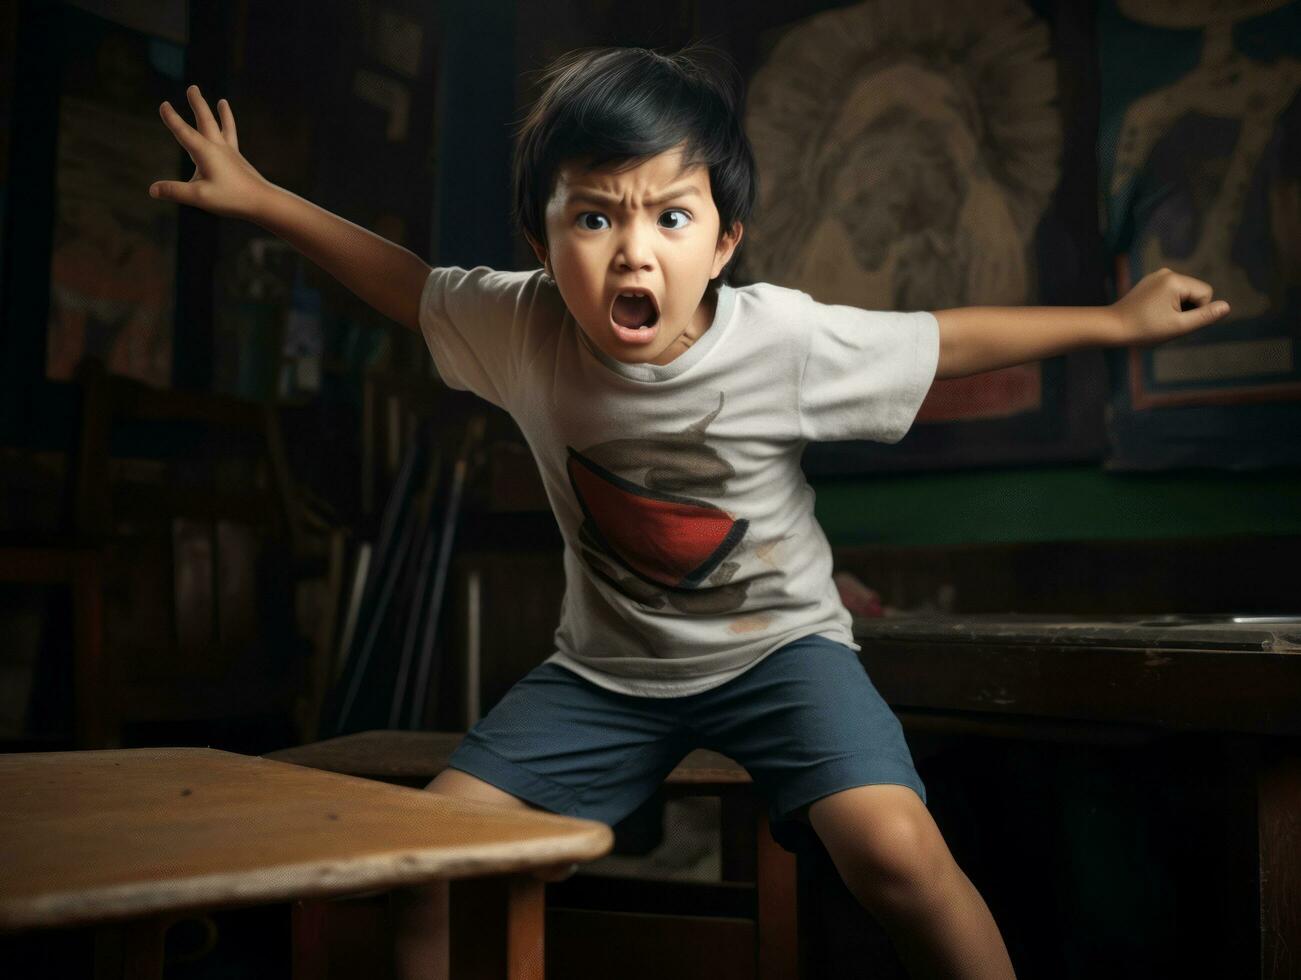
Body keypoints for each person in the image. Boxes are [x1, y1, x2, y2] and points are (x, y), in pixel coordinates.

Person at [149, 44, 1230, 980]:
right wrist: (263, 199)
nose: (634, 249)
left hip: (781, 656)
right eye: (594, 214)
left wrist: (1111, 319)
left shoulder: (779, 339)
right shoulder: (515, 326)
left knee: (897, 849)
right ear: (539, 238)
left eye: (671, 215)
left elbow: (943, 338)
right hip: (605, 675)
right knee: (434, 872)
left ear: (721, 242)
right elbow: (404, 281)